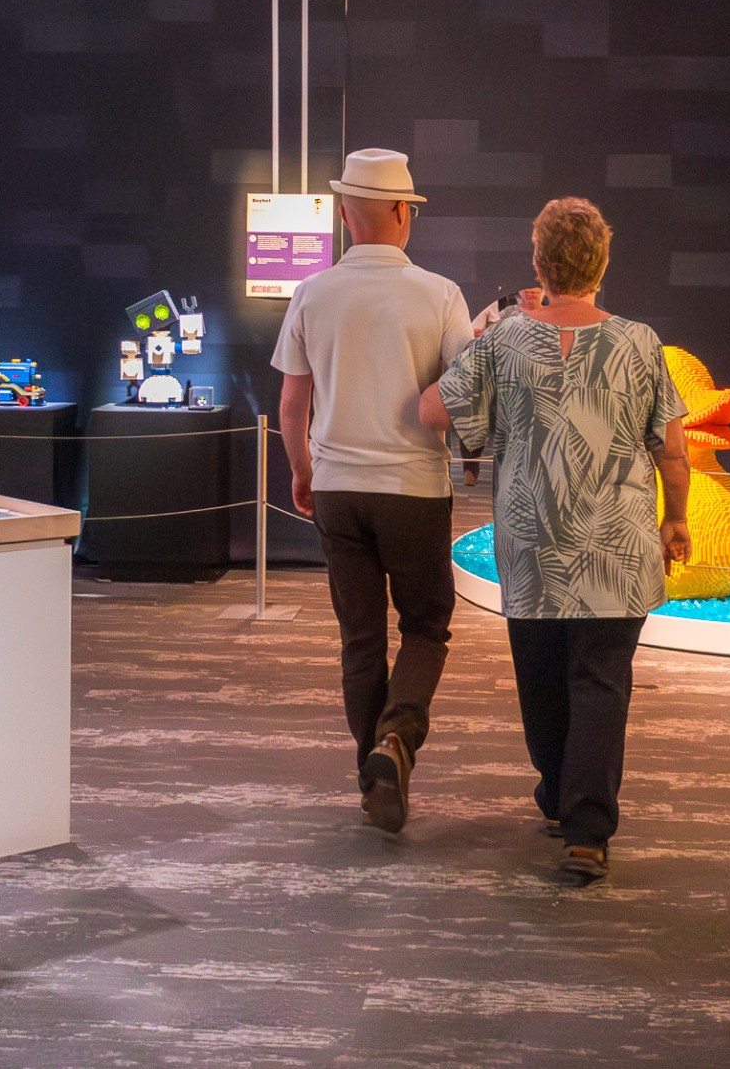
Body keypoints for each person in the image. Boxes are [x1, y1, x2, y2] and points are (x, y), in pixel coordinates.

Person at [419, 197, 691, 880]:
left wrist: (483, 348)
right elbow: (672, 450)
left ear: (539, 264)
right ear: (602, 263)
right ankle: (586, 831)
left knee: (540, 681)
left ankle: (556, 797)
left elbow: (432, 411)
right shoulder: (640, 343)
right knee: (601, 682)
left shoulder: (505, 342)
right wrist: (677, 518)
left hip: (531, 544)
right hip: (617, 548)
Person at [272, 147, 474, 834]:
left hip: (336, 488)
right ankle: (395, 740)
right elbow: (460, 395)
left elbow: (292, 404)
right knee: (425, 626)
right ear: (399, 212)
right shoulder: (440, 294)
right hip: (414, 487)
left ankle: (374, 776)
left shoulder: (312, 293)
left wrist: (302, 471)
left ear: (344, 214)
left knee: (360, 638)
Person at [461, 285, 545, 485]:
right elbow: (477, 341)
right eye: (526, 287)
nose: (531, 290)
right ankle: (471, 467)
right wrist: (478, 338)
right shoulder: (505, 314)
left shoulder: (553, 316)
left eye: (536, 286)